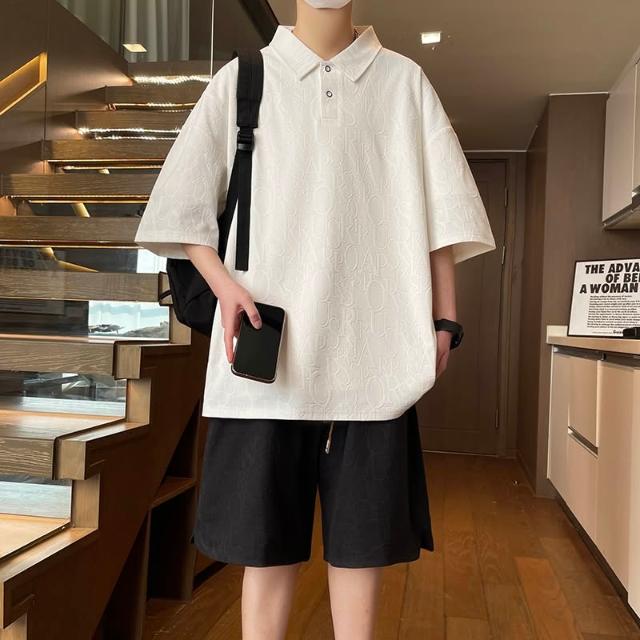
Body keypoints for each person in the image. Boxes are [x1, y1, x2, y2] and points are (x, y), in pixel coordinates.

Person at [134, 1, 496, 638]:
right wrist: (223, 287)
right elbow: (182, 205)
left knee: (361, 554)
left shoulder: (403, 81)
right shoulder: (244, 78)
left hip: (374, 353)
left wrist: (446, 318)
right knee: (265, 555)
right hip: (266, 362)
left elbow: (441, 209)